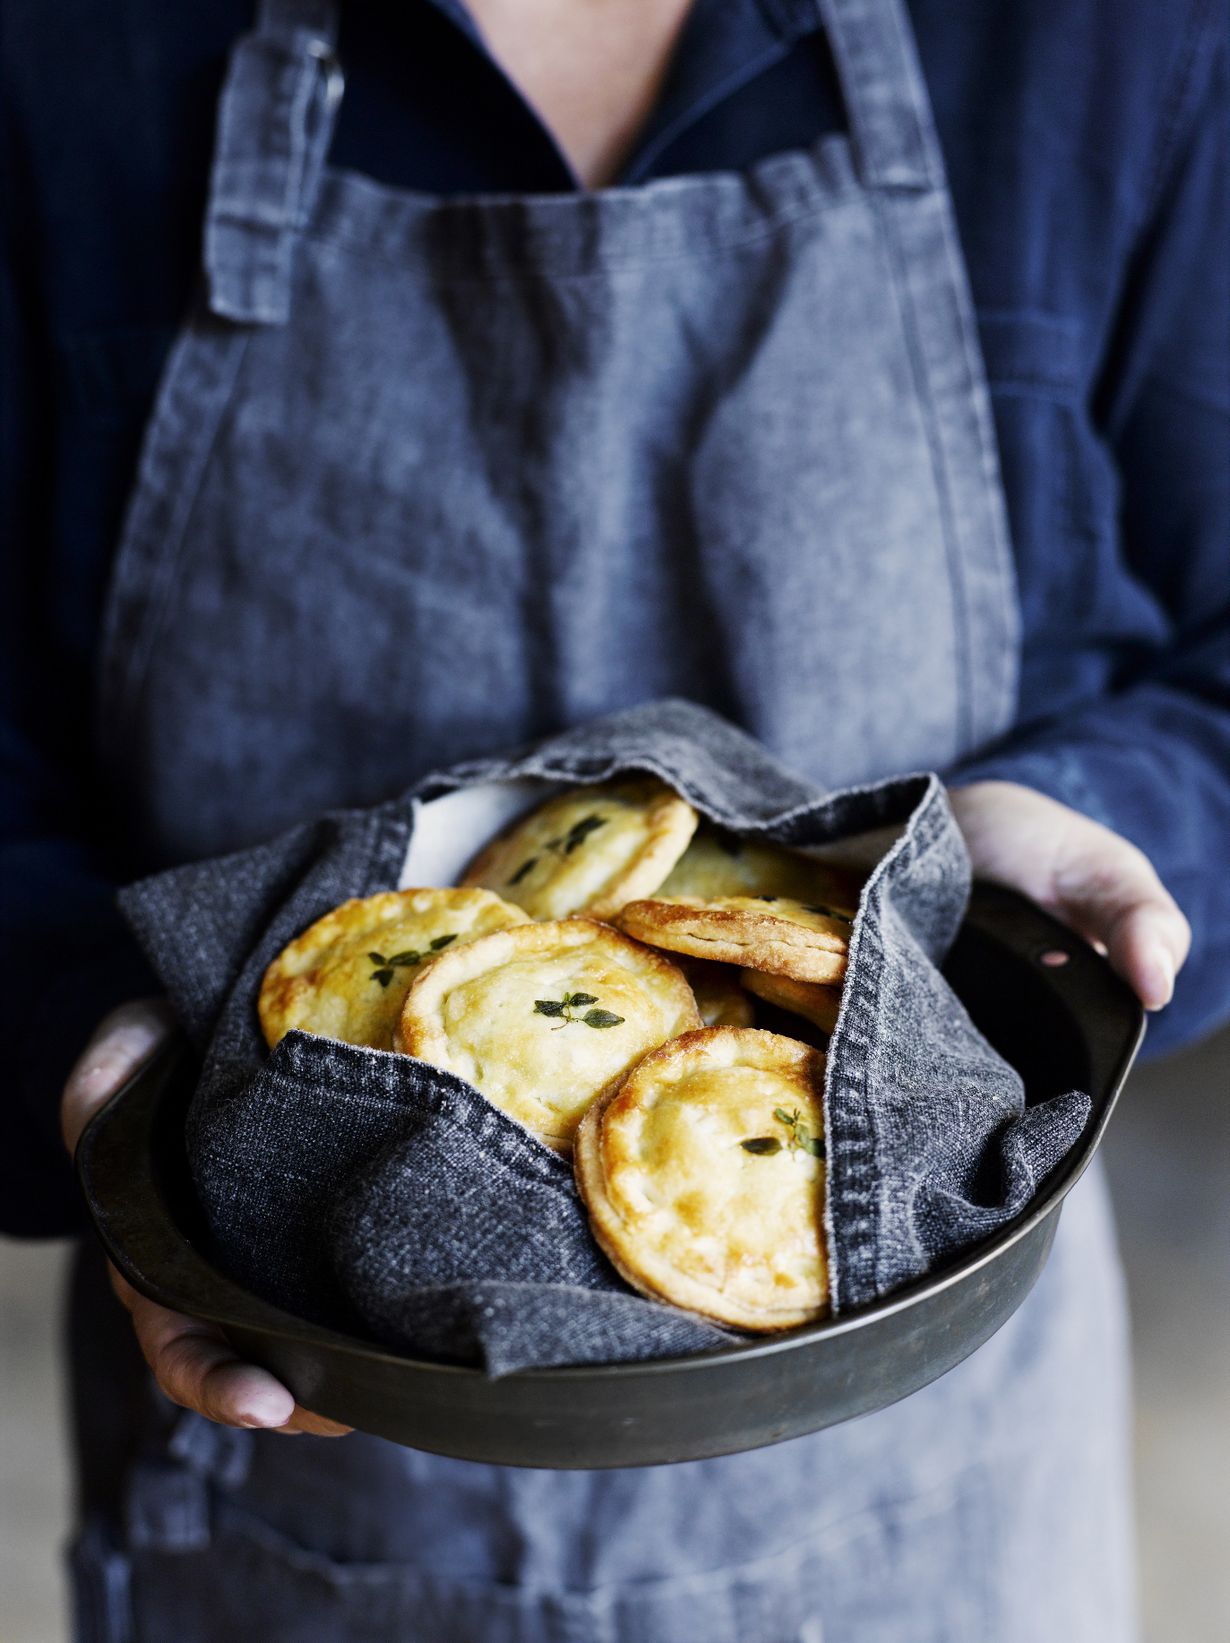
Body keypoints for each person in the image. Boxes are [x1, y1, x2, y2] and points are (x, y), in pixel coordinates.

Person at [3, 0, 1227, 1638]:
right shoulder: (61, 52)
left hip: (929, 1490)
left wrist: (1081, 836)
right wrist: (79, 1033)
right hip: (289, 1446)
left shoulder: (1105, 40)